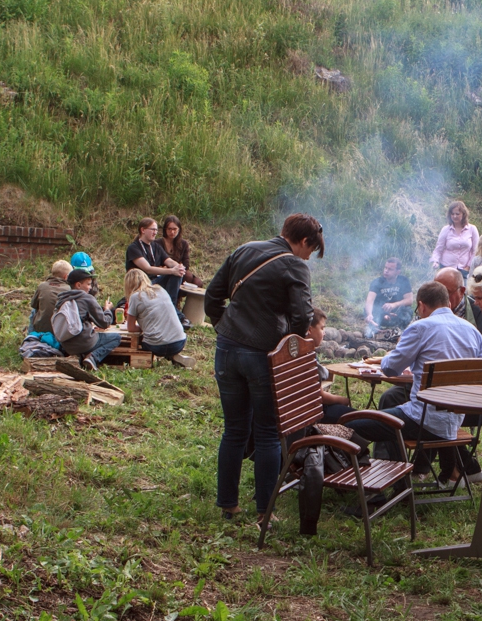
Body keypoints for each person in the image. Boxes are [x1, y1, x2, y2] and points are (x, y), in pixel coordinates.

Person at [204, 213, 323, 521]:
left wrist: (225, 327)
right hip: (262, 354)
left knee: (234, 430)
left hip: (227, 350)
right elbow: (301, 317)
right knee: (269, 433)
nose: (309, 257)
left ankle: (228, 504)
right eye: (311, 250)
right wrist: (283, 346)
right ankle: (265, 512)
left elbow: (212, 296)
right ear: (304, 241)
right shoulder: (295, 265)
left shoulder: (244, 249)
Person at [345, 282, 482, 490]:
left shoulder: (420, 328)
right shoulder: (473, 331)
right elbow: (481, 372)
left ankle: (378, 486)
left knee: (352, 425)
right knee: (391, 411)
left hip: (423, 421)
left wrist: (388, 357)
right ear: (448, 303)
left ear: (421, 306)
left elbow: (391, 369)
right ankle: (396, 482)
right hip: (455, 420)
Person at [126, 218, 189, 328]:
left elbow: (168, 261)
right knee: (173, 273)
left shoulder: (155, 246)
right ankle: (177, 315)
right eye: (152, 229)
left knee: (177, 273)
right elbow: (148, 268)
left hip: (154, 282)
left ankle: (172, 310)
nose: (155, 232)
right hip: (141, 284)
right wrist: (171, 271)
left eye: (156, 230)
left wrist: (178, 267)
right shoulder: (134, 248)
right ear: (143, 230)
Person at [123, 269, 193, 367]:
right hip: (180, 341)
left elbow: (131, 328)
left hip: (157, 346)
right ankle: (172, 355)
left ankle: (159, 354)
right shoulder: (160, 290)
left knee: (142, 340)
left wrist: (143, 328)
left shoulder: (135, 297)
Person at [55, 269, 120, 372]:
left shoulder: (62, 299)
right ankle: (93, 357)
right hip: (85, 343)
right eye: (88, 284)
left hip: (67, 345)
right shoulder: (87, 298)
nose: (90, 287)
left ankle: (79, 357)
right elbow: (105, 323)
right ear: (78, 285)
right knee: (116, 338)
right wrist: (107, 310)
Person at [307, 308, 354, 423]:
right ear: (309, 329)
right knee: (361, 419)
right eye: (322, 328)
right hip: (316, 413)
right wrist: (342, 400)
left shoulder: (299, 352)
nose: (324, 332)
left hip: (308, 411)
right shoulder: (307, 356)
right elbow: (319, 396)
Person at [363, 258, 413, 338]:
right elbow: (370, 300)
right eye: (385, 268)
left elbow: (409, 300)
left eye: (390, 269)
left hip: (397, 312)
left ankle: (399, 332)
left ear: (398, 272)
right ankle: (375, 329)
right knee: (371, 311)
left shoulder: (403, 281)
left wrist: (394, 305)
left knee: (407, 313)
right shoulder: (377, 282)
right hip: (381, 312)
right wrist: (369, 314)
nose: (386, 271)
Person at [430, 200, 479, 277]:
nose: (454, 216)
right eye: (452, 214)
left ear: (463, 214)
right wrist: (435, 261)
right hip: (446, 267)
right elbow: (438, 248)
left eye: (457, 214)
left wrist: (469, 267)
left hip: (464, 269)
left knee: (462, 289)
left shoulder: (472, 229)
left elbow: (475, 251)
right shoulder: (445, 229)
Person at [160, 215, 204, 287]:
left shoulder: (183, 244)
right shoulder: (158, 243)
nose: (172, 232)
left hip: (180, 270)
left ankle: (181, 296)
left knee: (198, 282)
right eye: (169, 229)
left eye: (175, 229)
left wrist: (179, 267)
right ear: (165, 229)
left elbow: (186, 264)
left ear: (179, 229)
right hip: (164, 271)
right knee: (187, 276)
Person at [30, 260, 72, 334]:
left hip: (41, 329)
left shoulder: (42, 286)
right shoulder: (69, 289)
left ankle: (30, 336)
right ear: (66, 277)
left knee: (34, 310)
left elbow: (33, 305)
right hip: (60, 331)